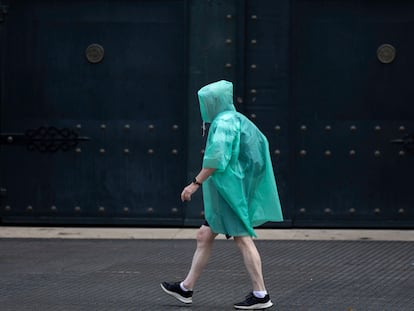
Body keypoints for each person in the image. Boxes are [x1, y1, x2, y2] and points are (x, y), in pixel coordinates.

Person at [161, 80, 283, 310]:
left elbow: (216, 158)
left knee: (243, 239)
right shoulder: (237, 120)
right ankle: (186, 288)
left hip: (228, 193)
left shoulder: (223, 123)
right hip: (229, 192)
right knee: (204, 236)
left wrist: (194, 184)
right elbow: (257, 152)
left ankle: (261, 294)